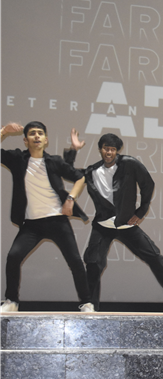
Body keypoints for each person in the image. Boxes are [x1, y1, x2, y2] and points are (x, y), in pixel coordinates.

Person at [64, 130, 163, 312]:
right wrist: (73, 149)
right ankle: (89, 304)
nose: (109, 152)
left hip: (126, 224)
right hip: (102, 226)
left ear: (117, 150)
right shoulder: (93, 171)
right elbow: (68, 172)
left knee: (153, 256)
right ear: (100, 150)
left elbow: (148, 184)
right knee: (93, 263)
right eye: (106, 148)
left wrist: (141, 211)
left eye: (112, 149)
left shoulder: (129, 164)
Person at [0, 122, 94, 312]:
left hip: (57, 221)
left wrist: (70, 199)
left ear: (46, 140)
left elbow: (80, 177)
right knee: (13, 256)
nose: (37, 136)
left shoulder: (54, 161)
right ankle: (11, 301)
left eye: (40, 133)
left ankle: (86, 302)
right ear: (25, 140)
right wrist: (3, 131)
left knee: (75, 261)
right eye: (32, 133)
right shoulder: (17, 159)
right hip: (31, 225)